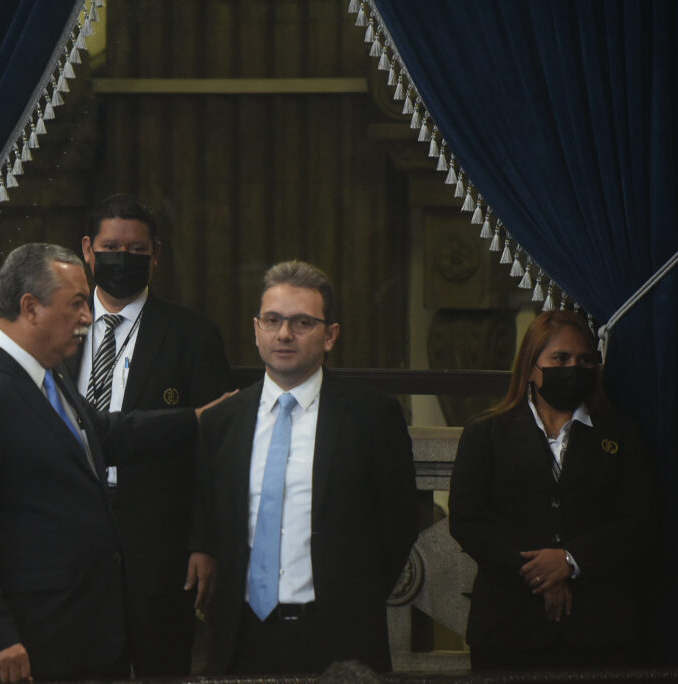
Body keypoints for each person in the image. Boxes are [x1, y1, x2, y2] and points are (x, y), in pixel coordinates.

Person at [0, 243, 205, 682]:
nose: (88, 317)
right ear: (30, 307)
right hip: (23, 652)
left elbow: (106, 435)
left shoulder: (49, 374)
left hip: (81, 643)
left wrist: (198, 420)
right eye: (77, 303)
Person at [190, 260, 418, 674]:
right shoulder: (224, 421)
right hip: (242, 636)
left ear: (330, 336)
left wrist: (355, 597)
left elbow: (399, 522)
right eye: (273, 320)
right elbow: (210, 514)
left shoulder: (372, 417)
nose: (284, 334)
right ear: (255, 328)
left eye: (302, 323)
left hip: (339, 637)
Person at [66, 193, 232, 676]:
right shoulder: (59, 329)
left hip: (160, 543)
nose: (124, 259)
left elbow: (214, 448)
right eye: (112, 247)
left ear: (156, 254)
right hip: (71, 536)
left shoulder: (193, 335)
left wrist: (206, 541)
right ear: (88, 249)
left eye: (137, 251)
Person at [449, 310, 652, 670]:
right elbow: (468, 519)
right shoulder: (486, 433)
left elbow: (637, 521)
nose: (574, 367)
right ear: (531, 366)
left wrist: (570, 561)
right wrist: (542, 571)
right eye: (560, 358)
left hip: (599, 632)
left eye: (585, 360)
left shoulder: (621, 435)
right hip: (508, 629)